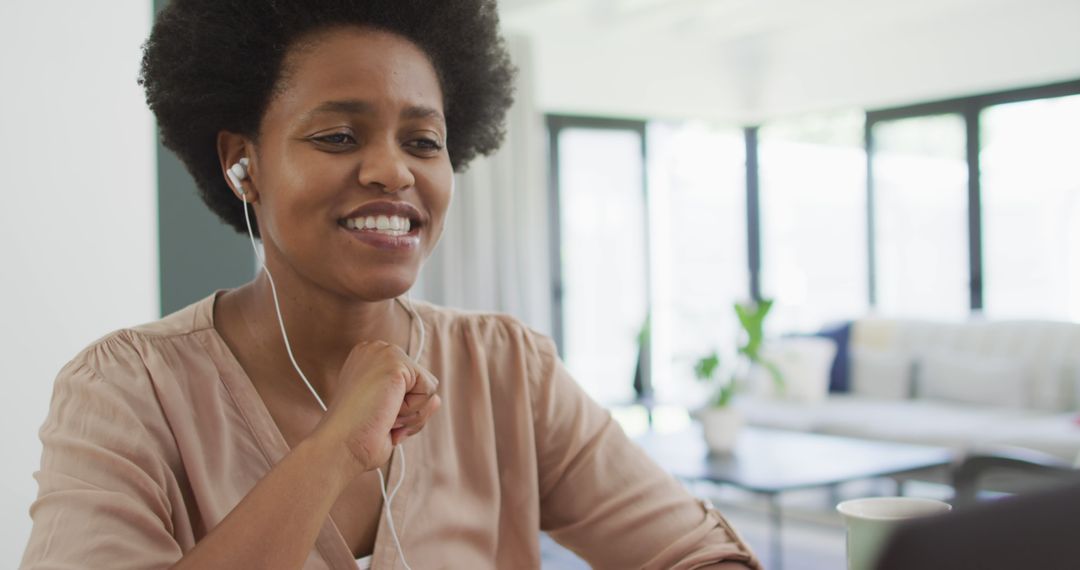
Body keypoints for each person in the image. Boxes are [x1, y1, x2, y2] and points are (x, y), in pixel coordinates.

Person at [20, 1, 761, 569]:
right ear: (243, 163)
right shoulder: (123, 392)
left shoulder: (506, 371)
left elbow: (698, 555)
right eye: (339, 136)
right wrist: (332, 447)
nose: (393, 171)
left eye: (423, 141)